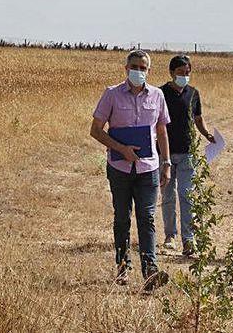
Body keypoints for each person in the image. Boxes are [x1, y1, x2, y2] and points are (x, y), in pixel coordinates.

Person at [89, 50, 172, 290]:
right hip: (120, 168)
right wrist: (121, 149)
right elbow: (95, 130)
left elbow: (162, 132)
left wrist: (166, 163)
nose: (138, 71)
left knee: (147, 218)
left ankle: (150, 271)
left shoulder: (157, 95)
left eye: (143, 67)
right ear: (126, 68)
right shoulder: (111, 94)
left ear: (149, 71)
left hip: (149, 169)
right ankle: (123, 267)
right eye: (134, 66)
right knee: (122, 217)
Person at [159, 55, 215, 256]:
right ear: (171, 73)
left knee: (187, 195)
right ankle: (170, 236)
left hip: (187, 152)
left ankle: (188, 239)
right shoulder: (160, 93)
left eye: (187, 73)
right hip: (164, 153)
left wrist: (207, 134)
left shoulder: (193, 94)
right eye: (181, 73)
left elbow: (198, 119)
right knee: (167, 195)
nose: (184, 76)